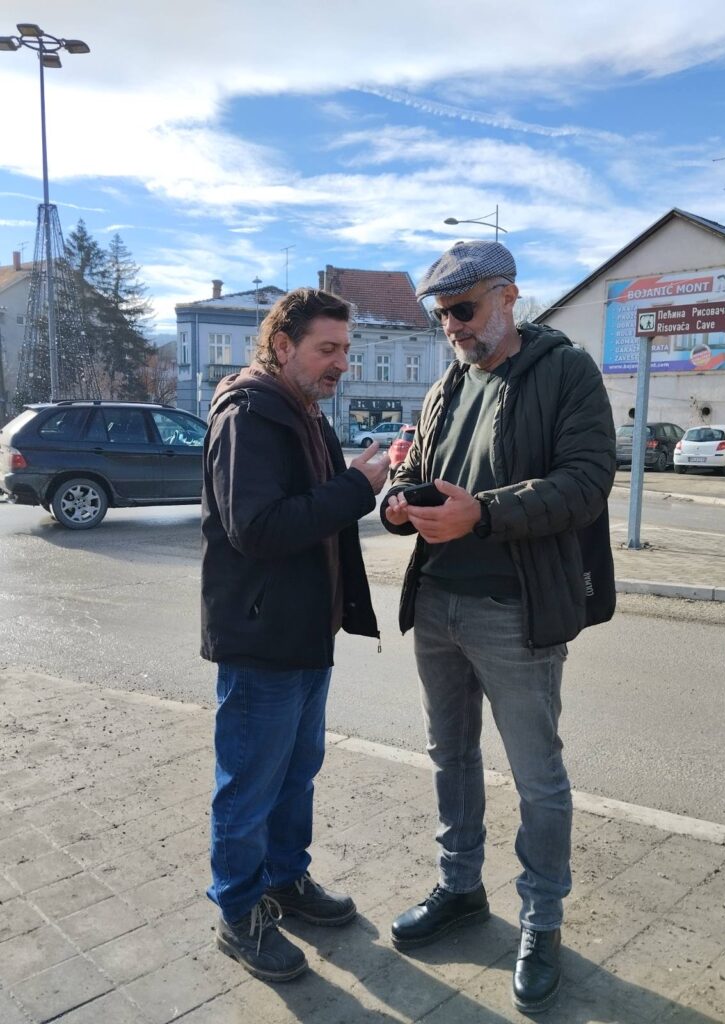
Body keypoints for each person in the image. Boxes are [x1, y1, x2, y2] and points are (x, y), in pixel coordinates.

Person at [381, 241, 616, 1014]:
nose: (450, 326)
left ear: (507, 297)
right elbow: (419, 474)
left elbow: (585, 483)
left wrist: (481, 514)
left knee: (536, 777)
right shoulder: (445, 385)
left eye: (461, 309)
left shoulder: (565, 372)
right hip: (436, 604)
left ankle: (540, 921)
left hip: (515, 611)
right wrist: (398, 504)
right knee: (448, 757)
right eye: (440, 314)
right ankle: (459, 889)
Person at [201, 287, 389, 983]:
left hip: (307, 633)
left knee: (295, 773)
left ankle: (285, 879)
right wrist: (355, 489)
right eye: (327, 349)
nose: (341, 362)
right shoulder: (249, 415)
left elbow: (317, 510)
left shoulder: (305, 413)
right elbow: (257, 529)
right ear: (283, 346)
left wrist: (378, 488)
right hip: (262, 638)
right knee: (249, 784)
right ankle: (238, 911)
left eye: (346, 349)